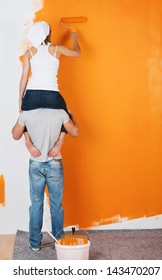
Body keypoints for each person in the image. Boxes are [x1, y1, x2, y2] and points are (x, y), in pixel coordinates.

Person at [12, 107, 79, 251]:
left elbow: (14, 134)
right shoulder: (60, 112)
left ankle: (35, 244)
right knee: (56, 206)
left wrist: (28, 142)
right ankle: (59, 242)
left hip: (36, 163)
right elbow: (75, 131)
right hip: (54, 162)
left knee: (36, 205)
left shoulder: (28, 112)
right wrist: (70, 114)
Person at [19, 21, 80, 158]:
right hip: (52, 95)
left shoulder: (29, 52)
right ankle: (60, 142)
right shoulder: (56, 49)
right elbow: (77, 53)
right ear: (48, 34)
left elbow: (24, 78)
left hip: (31, 95)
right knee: (68, 118)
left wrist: (20, 101)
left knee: (24, 116)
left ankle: (28, 141)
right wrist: (74, 38)